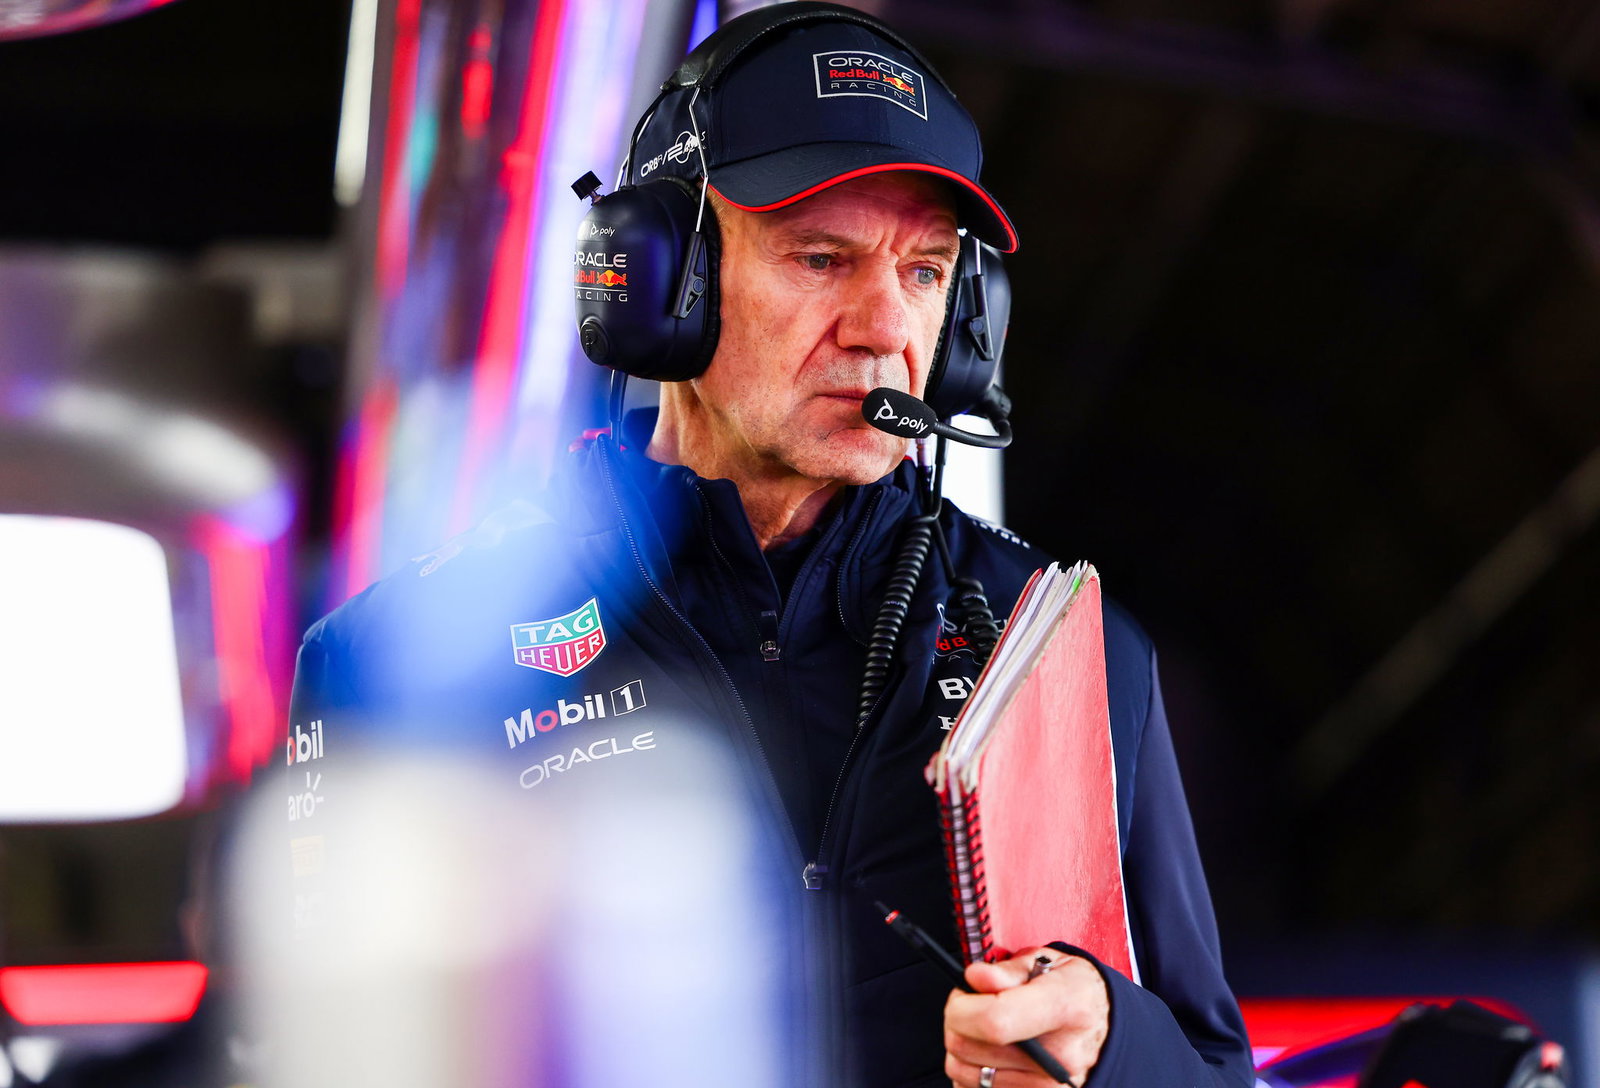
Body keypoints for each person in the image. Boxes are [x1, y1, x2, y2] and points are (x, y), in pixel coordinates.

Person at [289, 4, 1253, 1086]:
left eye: (926, 272)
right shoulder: (398, 659)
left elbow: (1215, 1069)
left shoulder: (1069, 653)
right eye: (821, 257)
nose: (884, 326)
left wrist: (1112, 1046)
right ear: (657, 281)